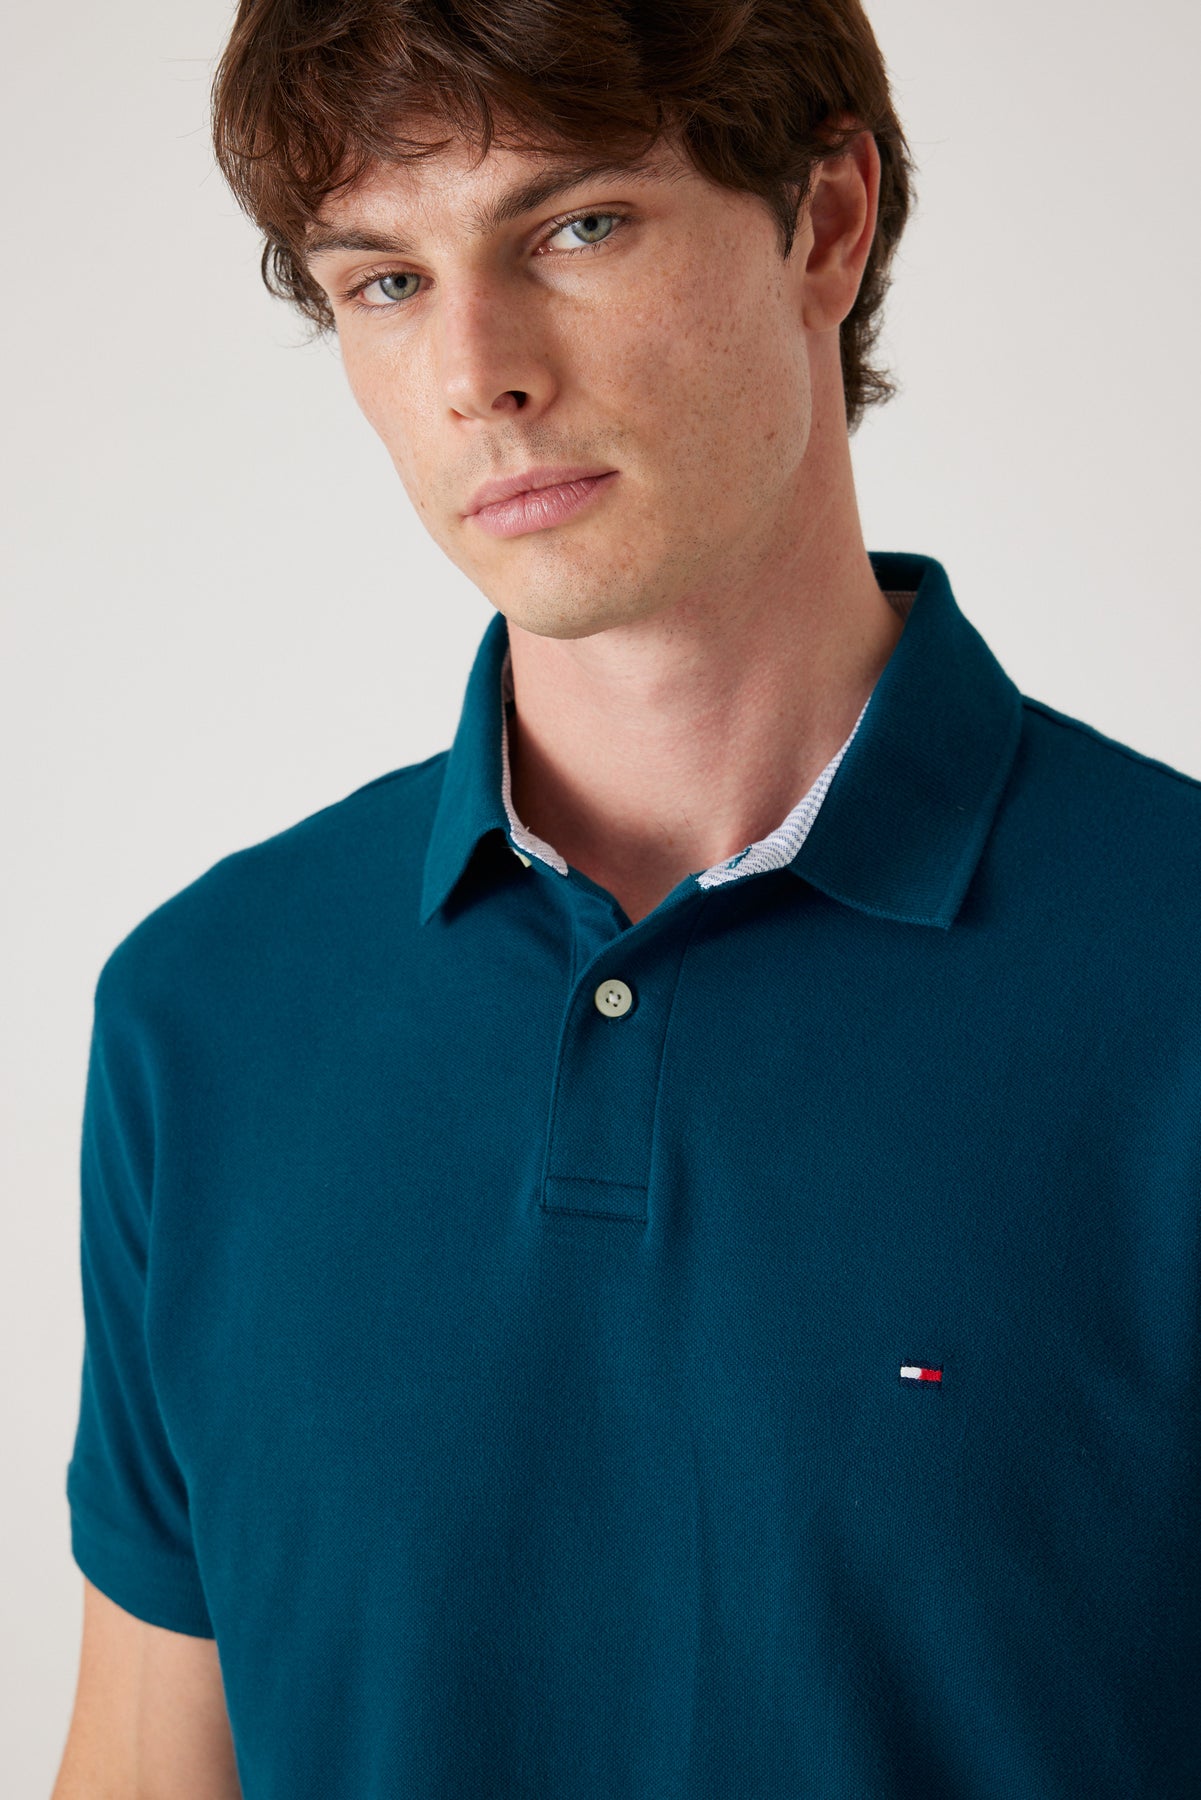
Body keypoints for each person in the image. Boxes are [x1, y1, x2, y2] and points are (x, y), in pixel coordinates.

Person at [54, 2, 1201, 1797]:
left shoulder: (1172, 972)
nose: (477, 373)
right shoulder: (207, 1011)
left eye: (575, 227)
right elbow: (147, 1759)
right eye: (384, 281)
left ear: (826, 222)